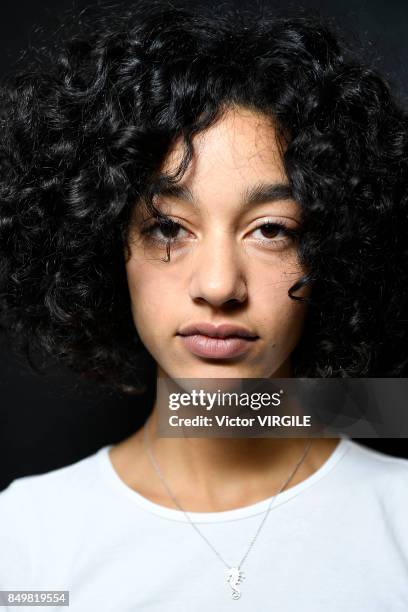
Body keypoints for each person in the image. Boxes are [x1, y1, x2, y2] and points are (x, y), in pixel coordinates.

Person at [0, 2, 407, 610]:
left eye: (272, 229)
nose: (219, 286)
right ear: (107, 244)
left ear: (333, 248)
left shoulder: (399, 523)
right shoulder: (25, 539)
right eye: (168, 227)